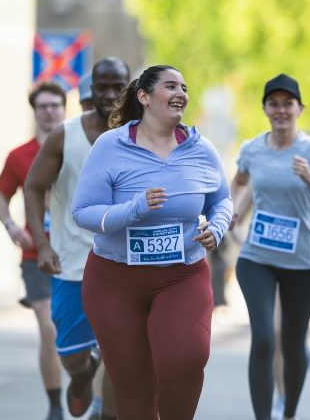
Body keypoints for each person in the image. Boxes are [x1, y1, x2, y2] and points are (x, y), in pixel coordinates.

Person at [72, 64, 232, 420]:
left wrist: (217, 228)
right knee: (133, 383)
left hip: (182, 275)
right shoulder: (110, 146)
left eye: (184, 87)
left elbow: (222, 199)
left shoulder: (200, 147)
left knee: (186, 360)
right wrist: (134, 209)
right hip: (115, 279)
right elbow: (82, 212)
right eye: (170, 86)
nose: (181, 93)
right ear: (143, 97)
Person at [231, 73, 310, 420]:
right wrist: (231, 217)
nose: (281, 110)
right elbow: (236, 186)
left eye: (287, 104)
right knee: (265, 339)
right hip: (257, 258)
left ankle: (289, 413)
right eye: (274, 104)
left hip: (303, 263)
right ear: (265, 108)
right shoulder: (251, 149)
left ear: (300, 108)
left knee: (293, 346)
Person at [25, 58, 130, 420]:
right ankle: (84, 375)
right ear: (90, 91)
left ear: (132, 89)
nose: (112, 95)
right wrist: (42, 244)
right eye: (103, 87)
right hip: (72, 264)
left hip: (124, 266)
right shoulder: (64, 136)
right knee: (71, 355)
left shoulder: (143, 135)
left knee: (121, 360)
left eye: (119, 86)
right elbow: (34, 187)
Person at [0, 81, 65, 420]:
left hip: (75, 253)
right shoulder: (19, 156)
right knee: (48, 327)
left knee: (80, 329)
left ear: (64, 109)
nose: (49, 111)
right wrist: (10, 226)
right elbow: (2, 197)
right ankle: (55, 405)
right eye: (43, 106)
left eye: (55, 105)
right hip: (36, 254)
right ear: (35, 112)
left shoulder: (80, 148)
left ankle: (87, 383)